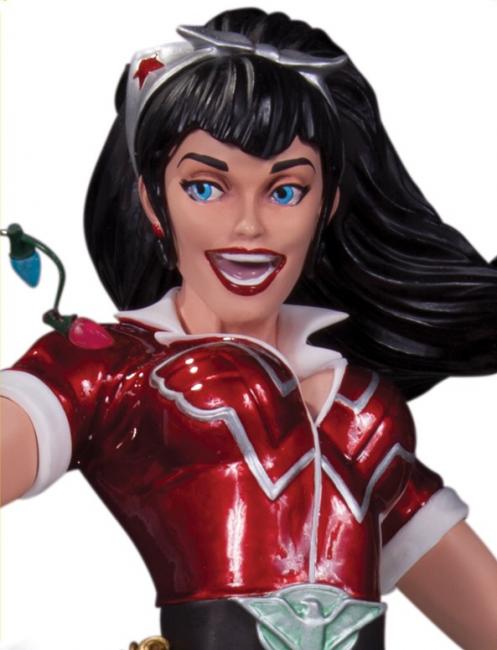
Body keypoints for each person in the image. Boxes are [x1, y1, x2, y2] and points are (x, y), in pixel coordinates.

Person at [1, 8, 497, 649]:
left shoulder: (361, 415)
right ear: (153, 198)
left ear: (326, 204)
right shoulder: (110, 370)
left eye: (285, 191)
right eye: (207, 187)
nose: (249, 227)